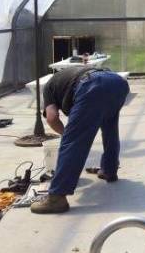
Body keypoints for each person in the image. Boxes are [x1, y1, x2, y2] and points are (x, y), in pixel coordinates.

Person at [30, 67, 130, 214]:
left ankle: (57, 197)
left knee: (72, 142)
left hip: (91, 86)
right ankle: (109, 170)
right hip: (117, 83)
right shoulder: (68, 76)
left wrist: (67, 134)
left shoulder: (49, 88)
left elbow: (51, 117)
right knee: (110, 127)